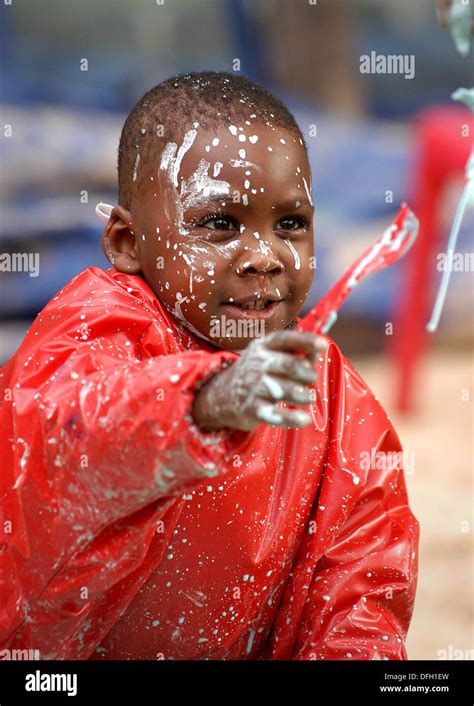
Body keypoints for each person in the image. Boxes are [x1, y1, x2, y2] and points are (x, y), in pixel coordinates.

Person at [0, 72, 419, 660]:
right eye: (220, 224)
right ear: (126, 242)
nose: (265, 257)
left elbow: (363, 588)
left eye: (291, 224)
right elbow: (62, 434)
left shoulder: (334, 400)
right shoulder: (98, 322)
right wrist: (204, 398)